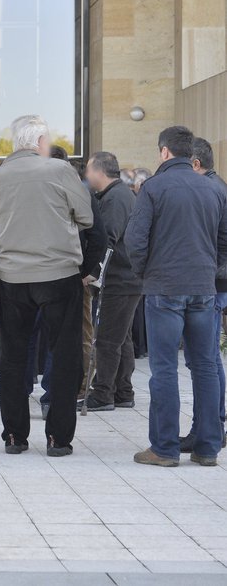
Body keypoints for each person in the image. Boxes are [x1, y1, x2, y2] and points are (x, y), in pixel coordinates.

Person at [0, 115, 93, 457]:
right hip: (57, 272)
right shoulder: (58, 170)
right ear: (39, 143)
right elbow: (86, 216)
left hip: (12, 276)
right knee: (64, 355)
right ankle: (58, 438)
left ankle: (15, 436)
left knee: (14, 357)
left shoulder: (0, 173)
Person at [125, 127, 227, 467]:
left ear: (164, 152)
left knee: (164, 369)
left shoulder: (153, 188)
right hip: (203, 287)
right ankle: (208, 447)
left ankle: (165, 448)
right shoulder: (213, 188)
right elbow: (223, 242)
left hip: (164, 287)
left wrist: (145, 274)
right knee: (206, 367)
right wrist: (209, 272)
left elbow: (135, 241)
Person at [79, 152, 142, 411]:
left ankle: (103, 394)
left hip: (120, 279)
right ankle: (123, 391)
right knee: (121, 338)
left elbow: (109, 239)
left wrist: (93, 271)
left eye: (89, 170)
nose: (86, 175)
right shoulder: (118, 195)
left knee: (106, 339)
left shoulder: (116, 198)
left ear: (100, 171)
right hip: (126, 278)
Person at [181, 137, 227, 453]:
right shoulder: (215, 187)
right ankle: (211, 426)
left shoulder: (212, 190)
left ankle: (210, 427)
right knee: (208, 359)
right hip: (214, 282)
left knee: (206, 359)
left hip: (212, 284)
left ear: (196, 164)